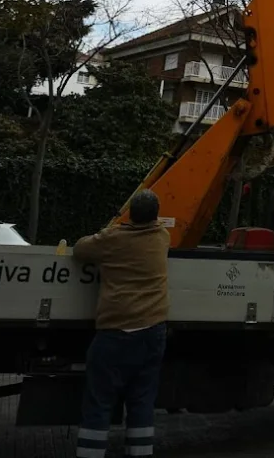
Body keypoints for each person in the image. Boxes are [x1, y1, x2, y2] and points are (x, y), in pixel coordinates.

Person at [72, 189, 170, 458]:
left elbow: (80, 249)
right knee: (141, 404)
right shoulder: (162, 237)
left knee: (98, 404)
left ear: (130, 213)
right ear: (155, 215)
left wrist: (112, 227)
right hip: (152, 331)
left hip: (114, 333)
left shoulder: (112, 239)